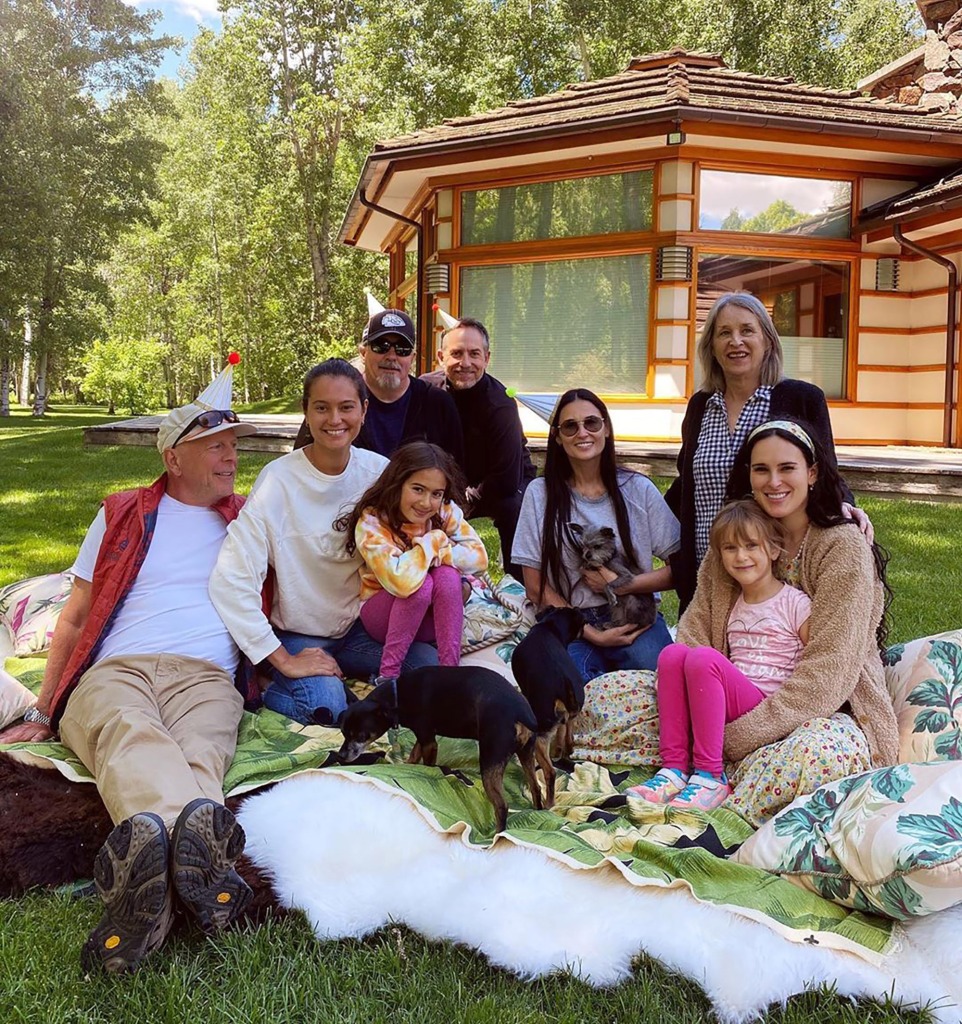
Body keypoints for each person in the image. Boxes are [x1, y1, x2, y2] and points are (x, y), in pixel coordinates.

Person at [0, 364, 260, 974]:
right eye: (216, 446)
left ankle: (152, 891)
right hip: (118, 668)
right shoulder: (122, 514)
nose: (232, 457)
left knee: (202, 750)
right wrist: (45, 706)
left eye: (233, 445)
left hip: (207, 676)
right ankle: (205, 878)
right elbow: (76, 613)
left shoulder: (249, 519)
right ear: (174, 457)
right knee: (129, 732)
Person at [210, 359, 439, 728]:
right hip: (300, 633)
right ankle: (267, 682)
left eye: (346, 407)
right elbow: (230, 579)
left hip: (363, 629)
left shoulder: (379, 473)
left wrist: (457, 575)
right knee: (328, 710)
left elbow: (432, 524)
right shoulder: (277, 482)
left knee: (428, 670)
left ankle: (346, 682)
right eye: (322, 407)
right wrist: (283, 658)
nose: (335, 419)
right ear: (306, 411)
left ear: (364, 410)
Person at [676, 418, 898, 781]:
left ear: (812, 473)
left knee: (814, 756)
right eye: (761, 469)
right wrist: (699, 709)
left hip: (824, 710)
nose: (773, 481)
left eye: (787, 468)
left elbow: (830, 668)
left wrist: (731, 736)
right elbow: (697, 625)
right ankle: (698, 767)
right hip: (727, 696)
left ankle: (719, 772)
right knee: (611, 695)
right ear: (748, 475)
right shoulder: (736, 536)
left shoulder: (841, 546)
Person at [665, 291, 868, 613]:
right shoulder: (701, 406)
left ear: (768, 341)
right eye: (724, 333)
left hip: (773, 575)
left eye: (747, 330)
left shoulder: (800, 398)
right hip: (707, 574)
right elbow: (685, 484)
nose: (736, 341)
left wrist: (845, 506)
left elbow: (824, 471)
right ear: (712, 347)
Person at [630, 500, 811, 811]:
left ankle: (711, 776)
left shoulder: (794, 602)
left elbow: (816, 656)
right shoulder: (732, 604)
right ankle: (673, 770)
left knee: (702, 658)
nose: (741, 556)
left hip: (766, 703)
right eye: (730, 548)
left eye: (751, 545)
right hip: (729, 699)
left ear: (773, 549)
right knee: (672, 654)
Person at [512, 388, 681, 682]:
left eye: (592, 423)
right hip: (570, 620)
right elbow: (534, 584)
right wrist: (592, 634)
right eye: (570, 426)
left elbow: (680, 569)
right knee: (573, 692)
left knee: (663, 684)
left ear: (606, 429)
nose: (582, 433)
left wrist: (622, 585)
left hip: (634, 617)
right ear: (557, 436)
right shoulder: (540, 494)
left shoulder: (638, 489)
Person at [336, 441, 488, 682]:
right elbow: (402, 583)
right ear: (397, 485)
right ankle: (388, 676)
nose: (426, 503)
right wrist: (432, 542)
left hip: (428, 621)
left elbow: (479, 559)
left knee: (447, 575)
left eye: (436, 494)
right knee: (421, 585)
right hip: (382, 619)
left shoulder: (443, 510)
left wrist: (438, 550)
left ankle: (451, 675)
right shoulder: (373, 521)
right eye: (417, 489)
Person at [421, 316, 535, 581]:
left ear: (487, 357)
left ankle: (519, 586)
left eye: (474, 354)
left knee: (515, 507)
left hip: (502, 480)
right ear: (441, 356)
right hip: (450, 478)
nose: (466, 363)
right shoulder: (425, 390)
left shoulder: (501, 404)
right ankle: (430, 578)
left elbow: (505, 479)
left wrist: (461, 501)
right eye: (456, 353)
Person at [293, 309, 464, 465]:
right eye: (380, 346)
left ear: (412, 357)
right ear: (363, 353)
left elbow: (455, 473)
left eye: (402, 349)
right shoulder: (338, 397)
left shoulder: (436, 403)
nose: (391, 356)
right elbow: (302, 463)